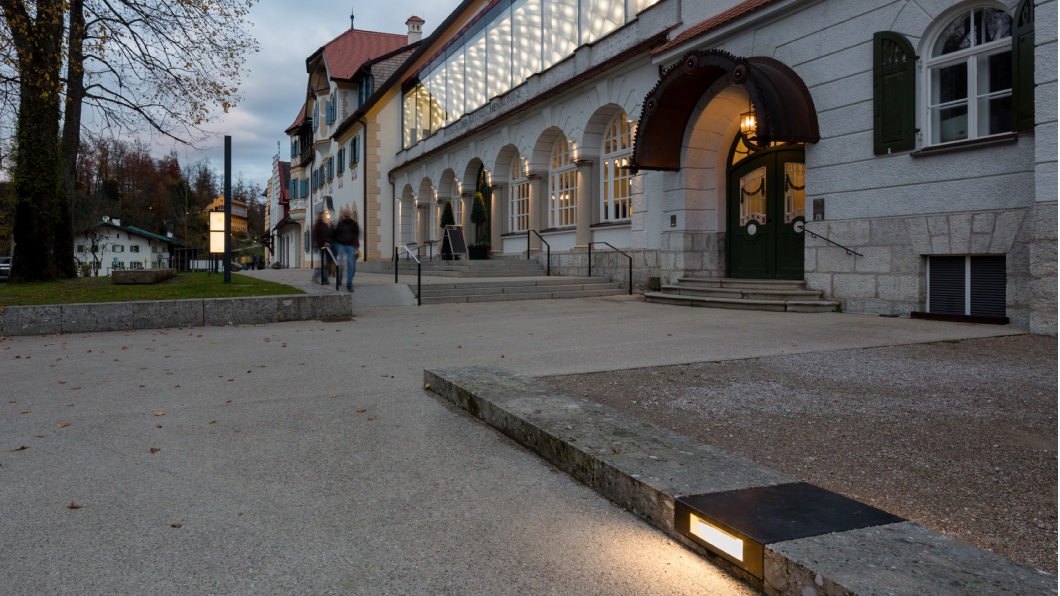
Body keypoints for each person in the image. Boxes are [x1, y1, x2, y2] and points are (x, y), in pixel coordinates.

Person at [331, 208, 360, 292]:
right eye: (345, 216)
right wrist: (336, 244)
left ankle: (349, 283)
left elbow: (357, 233)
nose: (346, 217)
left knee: (350, 265)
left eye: (347, 215)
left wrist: (355, 243)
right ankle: (339, 279)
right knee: (340, 264)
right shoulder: (340, 224)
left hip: (350, 245)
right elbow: (335, 234)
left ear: (349, 215)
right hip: (342, 245)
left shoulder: (353, 224)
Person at [312, 212, 332, 285]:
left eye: (322, 216)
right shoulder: (318, 226)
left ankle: (323, 278)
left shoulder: (324, 225)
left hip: (326, 246)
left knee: (324, 263)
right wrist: (323, 243)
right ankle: (324, 279)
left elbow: (328, 235)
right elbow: (318, 237)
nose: (321, 217)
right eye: (320, 216)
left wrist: (328, 242)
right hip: (321, 247)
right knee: (323, 263)